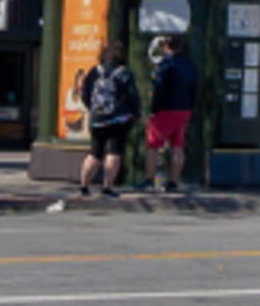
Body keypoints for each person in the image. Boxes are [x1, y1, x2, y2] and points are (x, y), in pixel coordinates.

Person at [145, 35, 200, 198]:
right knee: (178, 144)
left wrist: (154, 108)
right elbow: (194, 88)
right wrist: (189, 106)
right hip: (183, 109)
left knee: (153, 144)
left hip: (166, 109)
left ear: (167, 46)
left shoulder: (166, 64)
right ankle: (174, 181)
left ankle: (149, 179)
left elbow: (160, 87)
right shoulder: (189, 64)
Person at [79, 49, 139, 198]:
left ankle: (84, 186)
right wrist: (135, 113)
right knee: (113, 153)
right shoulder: (125, 73)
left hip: (97, 120)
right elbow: (133, 96)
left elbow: (85, 94)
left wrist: (92, 110)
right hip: (117, 120)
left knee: (94, 154)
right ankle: (107, 187)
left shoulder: (94, 72)